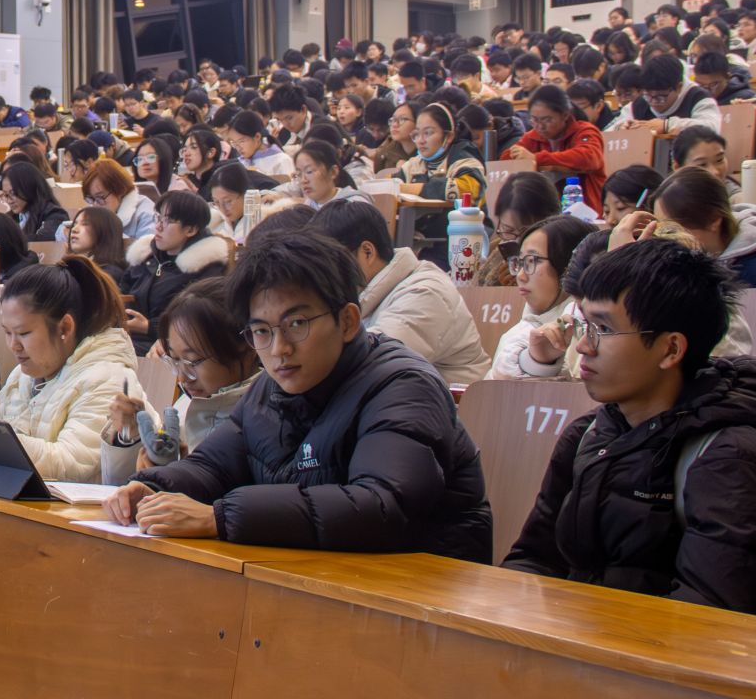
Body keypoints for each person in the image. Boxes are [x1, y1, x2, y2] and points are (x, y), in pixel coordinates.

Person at [99, 234, 492, 558]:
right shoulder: (270, 389)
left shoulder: (403, 386)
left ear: (348, 321)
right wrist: (155, 487)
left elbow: (381, 507)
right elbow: (214, 466)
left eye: (297, 324)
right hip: (319, 576)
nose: (279, 349)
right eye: (262, 331)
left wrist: (220, 517)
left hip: (425, 591)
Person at [501, 238, 756, 614]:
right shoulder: (587, 435)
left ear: (671, 349)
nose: (583, 346)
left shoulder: (730, 459)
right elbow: (533, 560)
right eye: (585, 326)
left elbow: (708, 618)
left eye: (603, 328)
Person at [0, 259, 135, 481]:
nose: (13, 345)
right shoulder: (23, 374)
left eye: (23, 333)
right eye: (7, 332)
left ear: (65, 327)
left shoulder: (108, 378)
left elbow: (70, 464)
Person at [308, 199, 490, 384]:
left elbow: (372, 366)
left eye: (330, 264)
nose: (324, 275)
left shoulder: (425, 293)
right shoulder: (371, 292)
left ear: (367, 252)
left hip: (461, 400)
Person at [100, 278, 259, 484]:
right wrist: (130, 437)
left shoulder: (262, 417)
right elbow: (121, 488)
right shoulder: (186, 407)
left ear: (246, 348)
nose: (182, 378)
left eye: (193, 361)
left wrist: (174, 476)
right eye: (174, 360)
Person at [120, 191, 231, 357]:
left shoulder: (206, 268)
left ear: (191, 229)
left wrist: (149, 327)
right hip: (129, 337)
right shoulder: (147, 256)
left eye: (168, 221)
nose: (158, 227)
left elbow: (198, 319)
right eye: (158, 218)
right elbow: (123, 291)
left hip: (169, 346)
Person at [488, 215, 597, 379]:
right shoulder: (522, 328)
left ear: (569, 267)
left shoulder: (582, 330)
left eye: (532, 261)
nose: (520, 276)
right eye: (520, 262)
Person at [647, 167, 756, 288]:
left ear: (714, 220)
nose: (663, 241)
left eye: (671, 230)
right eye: (660, 230)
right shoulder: (674, 265)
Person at [399, 102, 485, 266]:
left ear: (449, 136)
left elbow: (469, 189)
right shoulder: (414, 164)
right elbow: (393, 185)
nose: (421, 140)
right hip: (420, 242)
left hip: (460, 241)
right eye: (417, 134)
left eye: (428, 133)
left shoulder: (464, 157)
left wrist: (416, 189)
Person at [503, 84, 605, 211]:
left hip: (588, 211)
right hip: (546, 211)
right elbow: (505, 161)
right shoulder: (532, 136)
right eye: (534, 119)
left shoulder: (585, 131)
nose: (540, 126)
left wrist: (537, 159)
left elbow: (589, 158)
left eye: (547, 120)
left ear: (565, 115)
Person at [478, 171, 565, 288]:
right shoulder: (495, 253)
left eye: (527, 232)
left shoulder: (563, 259)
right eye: (508, 230)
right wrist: (503, 288)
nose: (518, 240)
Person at [81, 159, 157, 238]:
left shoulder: (146, 215)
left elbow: (147, 245)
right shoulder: (93, 212)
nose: (95, 205)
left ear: (120, 190)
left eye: (100, 198)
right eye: (90, 199)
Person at [0, 162, 67, 243]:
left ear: (29, 188)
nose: (9, 201)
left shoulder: (54, 214)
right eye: (6, 195)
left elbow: (42, 242)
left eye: (13, 193)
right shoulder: (12, 217)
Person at [294, 140, 365, 210]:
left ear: (333, 172)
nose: (303, 180)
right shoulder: (307, 207)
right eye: (299, 174)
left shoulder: (354, 205)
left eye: (309, 171)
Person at [65, 206, 129, 276]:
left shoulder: (109, 273)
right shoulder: (71, 266)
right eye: (74, 224)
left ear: (104, 231)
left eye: (85, 224)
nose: (74, 229)